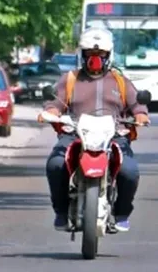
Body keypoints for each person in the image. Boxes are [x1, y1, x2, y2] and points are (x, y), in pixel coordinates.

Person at [41, 27, 151, 233]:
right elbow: (54, 102)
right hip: (75, 134)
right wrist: (50, 112)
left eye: (100, 55)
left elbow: (137, 104)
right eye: (90, 55)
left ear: (109, 56)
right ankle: (61, 212)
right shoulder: (70, 79)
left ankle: (121, 213)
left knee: (129, 171)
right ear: (82, 55)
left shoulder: (119, 80)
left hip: (114, 135)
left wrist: (141, 115)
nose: (95, 60)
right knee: (55, 164)